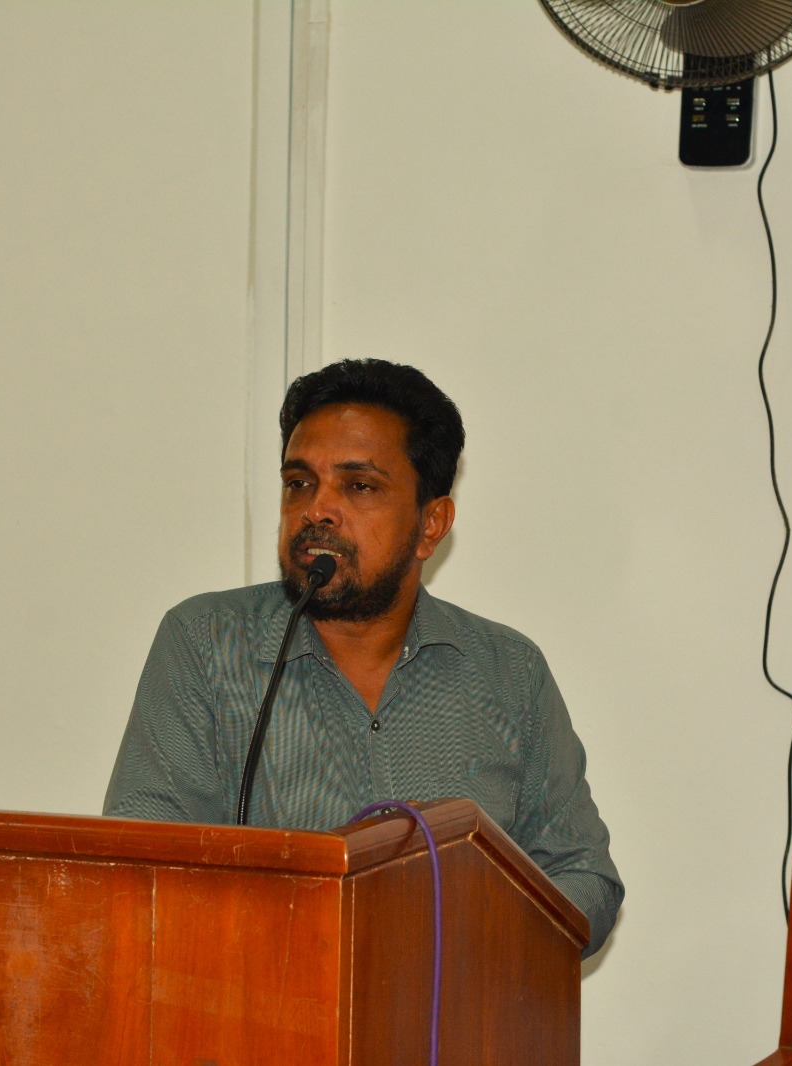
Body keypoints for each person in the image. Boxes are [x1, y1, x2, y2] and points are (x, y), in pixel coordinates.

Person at [104, 358, 622, 956]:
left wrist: (471, 939)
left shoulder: (509, 672)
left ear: (431, 524)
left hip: (450, 1010)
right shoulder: (205, 642)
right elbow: (140, 867)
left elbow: (584, 877)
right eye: (299, 483)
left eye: (359, 486)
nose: (316, 510)